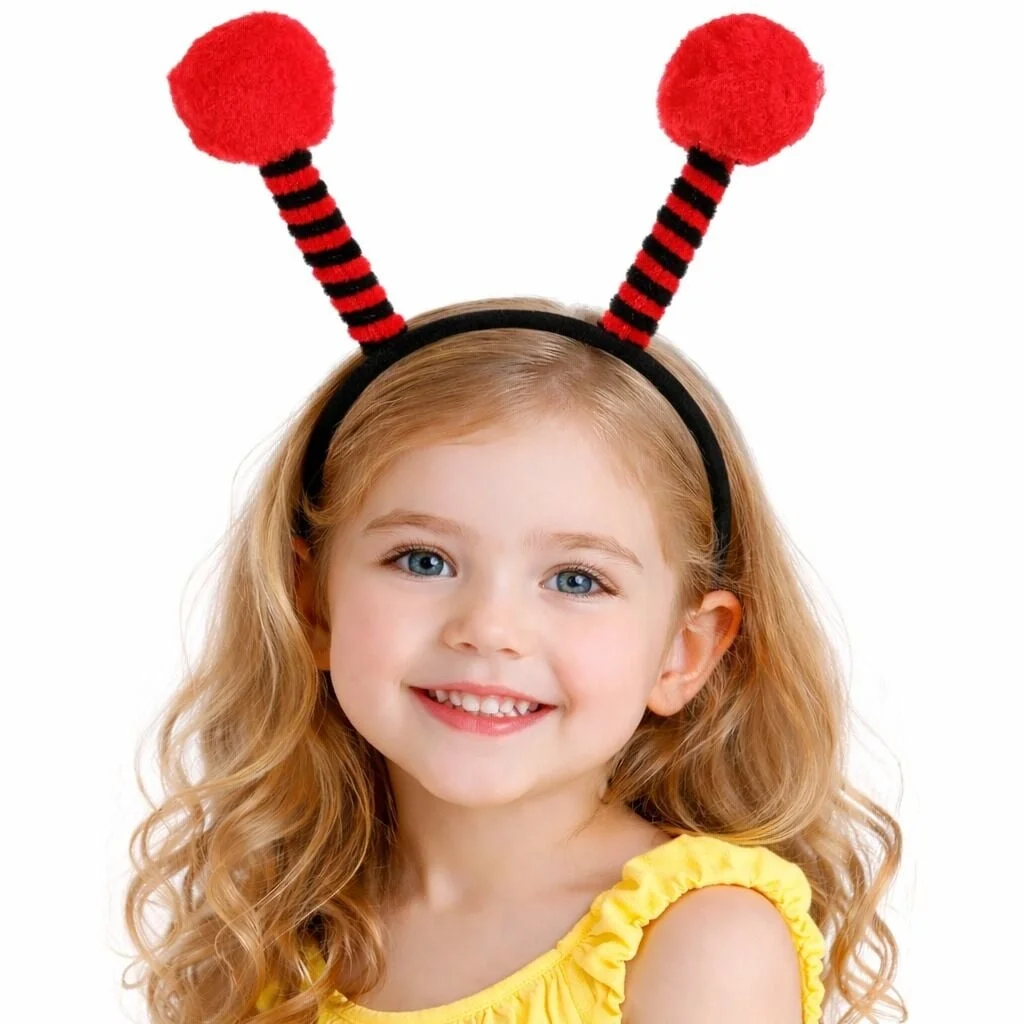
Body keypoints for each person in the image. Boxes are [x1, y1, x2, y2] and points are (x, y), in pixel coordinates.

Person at [122, 11, 905, 1024]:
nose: (488, 628)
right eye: (421, 559)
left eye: (577, 579)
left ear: (685, 650)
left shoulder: (700, 941)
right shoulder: (285, 927)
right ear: (310, 601)